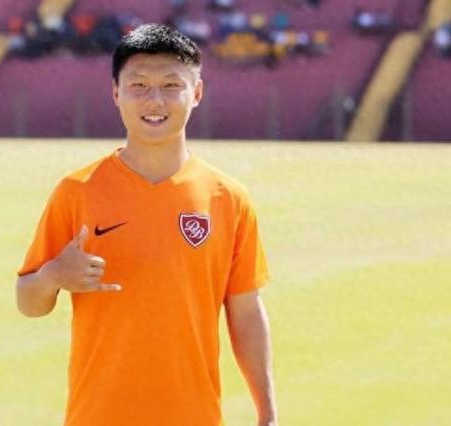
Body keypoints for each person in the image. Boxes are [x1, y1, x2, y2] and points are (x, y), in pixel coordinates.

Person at [15, 23, 278, 426]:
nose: (155, 99)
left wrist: (268, 413)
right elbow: (28, 302)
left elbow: (245, 312)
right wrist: (53, 276)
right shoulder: (77, 191)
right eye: (138, 85)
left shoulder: (228, 198)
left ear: (197, 93)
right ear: (116, 93)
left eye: (172, 85)